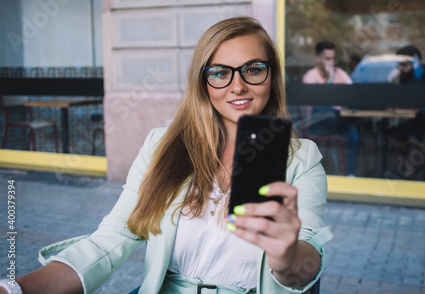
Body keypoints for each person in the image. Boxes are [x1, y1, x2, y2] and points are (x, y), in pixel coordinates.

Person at [0, 17, 333, 294]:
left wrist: (288, 257)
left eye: (254, 69)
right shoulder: (162, 146)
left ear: (271, 76)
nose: (238, 86)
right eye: (220, 73)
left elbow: (305, 266)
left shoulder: (301, 160)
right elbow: (112, 239)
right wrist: (14, 289)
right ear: (203, 83)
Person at [302, 41, 360, 177]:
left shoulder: (339, 73)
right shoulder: (310, 76)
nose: (331, 62)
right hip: (317, 123)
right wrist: (330, 80)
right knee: (327, 110)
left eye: (333, 59)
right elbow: (316, 102)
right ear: (318, 59)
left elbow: (353, 92)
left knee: (354, 133)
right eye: (328, 59)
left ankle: (350, 173)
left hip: (339, 121)